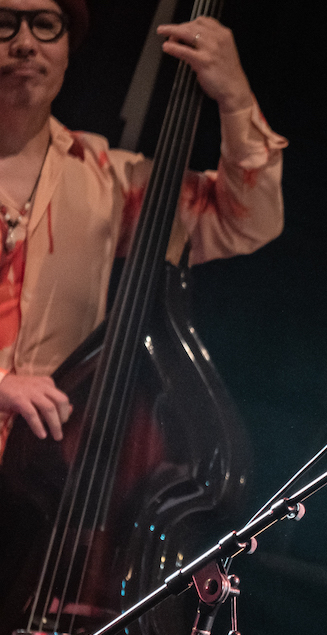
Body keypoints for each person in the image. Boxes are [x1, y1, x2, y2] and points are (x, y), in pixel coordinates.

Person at [0, 0, 286, 459]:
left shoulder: (107, 180)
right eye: (4, 24)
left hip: (39, 475)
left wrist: (235, 98)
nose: (26, 43)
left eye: (46, 25)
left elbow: (247, 220)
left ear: (67, 49)